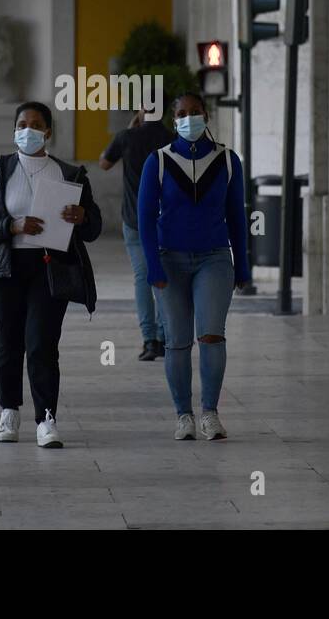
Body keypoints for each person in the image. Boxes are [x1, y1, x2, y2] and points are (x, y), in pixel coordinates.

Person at [0, 102, 102, 448]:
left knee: (42, 343)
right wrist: (10, 225)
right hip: (5, 266)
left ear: (48, 132)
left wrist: (83, 216)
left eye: (36, 124)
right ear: (15, 131)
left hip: (49, 267)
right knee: (8, 340)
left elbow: (94, 227)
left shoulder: (69, 174)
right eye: (22, 124)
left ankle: (46, 418)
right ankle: (8, 411)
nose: (28, 130)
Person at [137, 93, 251, 441]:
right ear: (174, 121)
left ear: (206, 115)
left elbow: (236, 217)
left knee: (212, 334)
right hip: (170, 259)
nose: (189, 119)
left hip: (214, 258)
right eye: (182, 114)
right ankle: (183, 414)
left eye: (195, 112)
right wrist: (152, 267)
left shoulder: (228, 160)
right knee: (177, 340)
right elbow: (144, 218)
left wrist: (242, 264)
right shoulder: (157, 161)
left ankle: (210, 413)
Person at [99, 105, 173, 361]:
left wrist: (131, 128)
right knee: (163, 276)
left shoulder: (126, 137)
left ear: (141, 110)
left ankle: (149, 340)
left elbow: (104, 163)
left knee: (143, 278)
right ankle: (165, 338)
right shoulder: (170, 139)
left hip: (133, 220)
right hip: (165, 220)